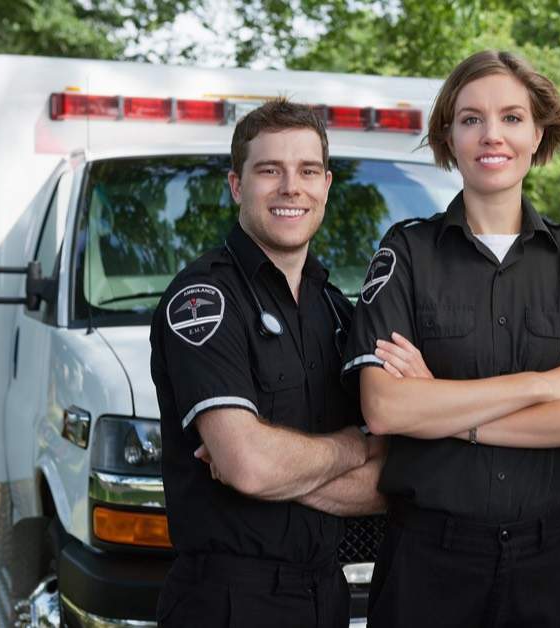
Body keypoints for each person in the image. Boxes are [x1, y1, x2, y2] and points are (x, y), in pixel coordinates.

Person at [341, 50, 560, 628]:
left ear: (538, 133)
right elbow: (385, 406)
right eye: (471, 118)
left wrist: (450, 410)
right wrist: (544, 385)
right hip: (427, 562)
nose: (492, 135)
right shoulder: (405, 253)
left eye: (511, 117)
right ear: (449, 137)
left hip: (550, 562)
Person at [149, 98, 386, 628]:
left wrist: (269, 467)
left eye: (306, 171)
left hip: (329, 593)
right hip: (228, 600)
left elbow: (386, 484)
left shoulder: (339, 310)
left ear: (326, 185)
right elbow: (249, 466)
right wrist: (354, 446)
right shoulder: (203, 298)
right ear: (237, 185)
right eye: (269, 170)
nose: (290, 188)